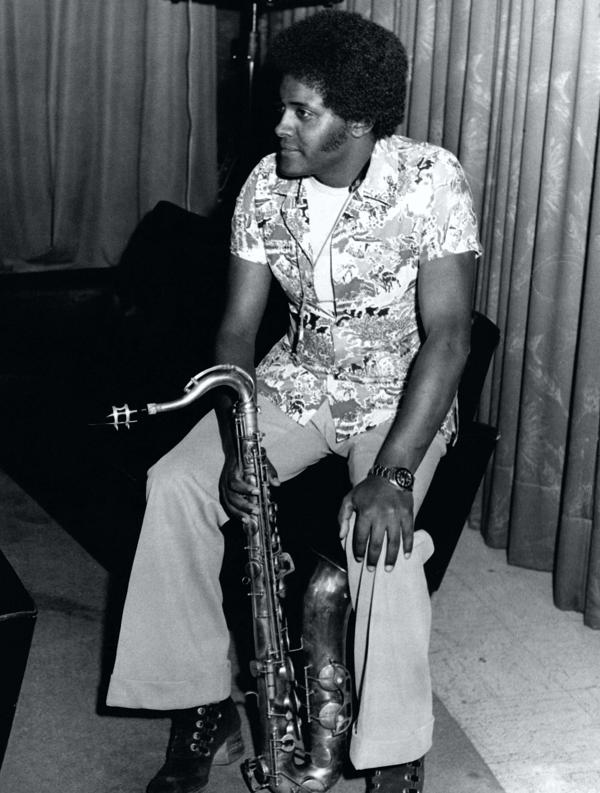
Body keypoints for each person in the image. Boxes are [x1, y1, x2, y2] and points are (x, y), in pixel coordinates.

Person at [106, 10, 482, 793]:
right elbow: (237, 329)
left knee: (379, 539)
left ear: (359, 122)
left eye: (301, 112)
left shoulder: (431, 179)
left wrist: (394, 473)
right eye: (284, 106)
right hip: (297, 380)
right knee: (173, 484)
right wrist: (239, 440)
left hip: (396, 396)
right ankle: (200, 702)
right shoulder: (263, 186)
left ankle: (394, 752)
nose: (279, 124)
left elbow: (449, 338)